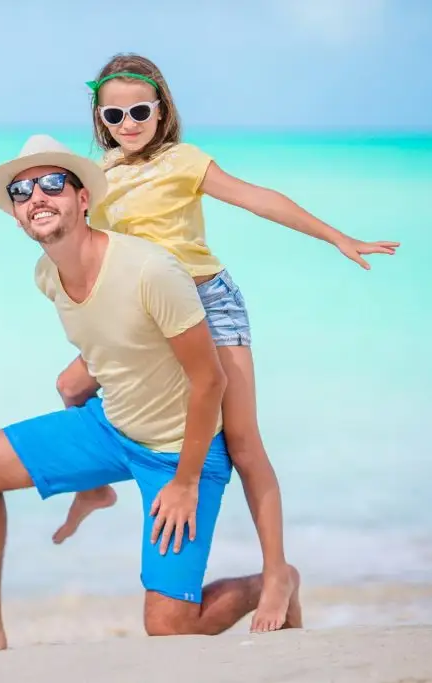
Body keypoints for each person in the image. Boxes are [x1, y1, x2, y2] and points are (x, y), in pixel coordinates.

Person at [49, 52, 399, 632]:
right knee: (70, 385)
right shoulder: (98, 177)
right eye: (115, 115)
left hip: (207, 305)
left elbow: (258, 197)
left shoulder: (182, 161)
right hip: (144, 316)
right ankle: (95, 489)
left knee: (240, 440)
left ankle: (277, 571)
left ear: (162, 112)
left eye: (141, 110)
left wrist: (338, 237)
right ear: (100, 120)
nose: (129, 122)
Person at [0, 134, 300, 659]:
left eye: (53, 183)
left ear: (83, 199)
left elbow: (210, 380)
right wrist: (80, 413)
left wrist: (186, 482)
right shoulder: (46, 276)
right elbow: (109, 349)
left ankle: (269, 584)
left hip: (180, 451)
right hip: (111, 427)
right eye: (21, 192)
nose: (37, 197)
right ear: (15, 216)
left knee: (169, 627)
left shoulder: (151, 271)